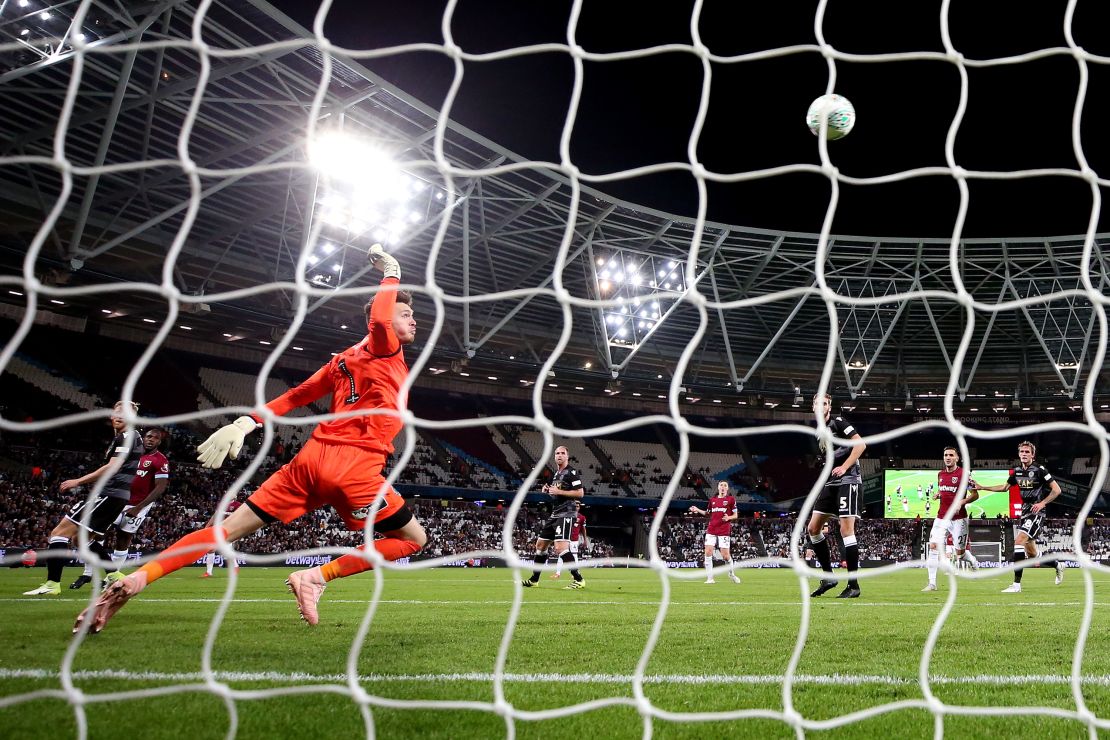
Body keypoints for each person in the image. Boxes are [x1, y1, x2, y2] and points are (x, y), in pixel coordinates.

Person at [75, 244, 427, 631]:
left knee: (225, 531)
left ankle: (138, 578)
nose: (414, 321)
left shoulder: (342, 360)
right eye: (406, 314)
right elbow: (379, 321)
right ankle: (315, 577)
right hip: (354, 465)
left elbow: (295, 397)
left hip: (311, 460)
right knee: (411, 539)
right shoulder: (384, 348)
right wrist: (391, 272)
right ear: (386, 320)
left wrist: (246, 423)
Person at [24, 401, 145, 596]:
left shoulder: (128, 436)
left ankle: (52, 584)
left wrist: (78, 481)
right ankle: (115, 576)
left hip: (109, 494)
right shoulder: (128, 437)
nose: (119, 416)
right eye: (116, 412)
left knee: (59, 533)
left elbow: (112, 467)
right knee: (80, 540)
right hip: (116, 496)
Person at [70, 428, 171, 589]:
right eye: (149, 436)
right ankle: (87, 574)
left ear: (159, 442)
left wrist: (138, 508)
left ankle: (113, 577)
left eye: (155, 438)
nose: (151, 439)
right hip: (117, 499)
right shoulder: (131, 453)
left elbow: (160, 487)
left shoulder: (160, 460)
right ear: (144, 438)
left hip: (138, 505)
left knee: (123, 539)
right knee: (94, 534)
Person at [972, 441, 1064, 592]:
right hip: (1024, 512)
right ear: (1019, 454)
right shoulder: (1016, 472)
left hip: (1036, 512)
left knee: (1019, 541)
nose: (1024, 454)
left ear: (1033, 455)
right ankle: (1057, 564)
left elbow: (1057, 490)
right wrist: (982, 487)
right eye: (1022, 452)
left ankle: (1016, 585)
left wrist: (1042, 503)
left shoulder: (1040, 470)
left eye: (1027, 452)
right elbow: (1004, 488)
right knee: (1033, 554)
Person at [806, 393, 866, 599]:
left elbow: (860, 445)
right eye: (817, 403)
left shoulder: (838, 422)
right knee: (813, 528)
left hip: (849, 480)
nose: (821, 406)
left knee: (846, 530)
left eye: (825, 403)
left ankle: (853, 585)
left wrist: (844, 467)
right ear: (813, 407)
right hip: (831, 483)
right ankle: (829, 577)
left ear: (829, 407)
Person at [522, 445, 585, 590]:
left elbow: (580, 493)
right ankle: (534, 580)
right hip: (555, 513)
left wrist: (558, 491)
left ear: (567, 456)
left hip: (567, 513)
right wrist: (549, 491)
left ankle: (579, 579)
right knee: (540, 545)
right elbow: (557, 494)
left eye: (563, 453)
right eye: (557, 453)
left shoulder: (572, 472)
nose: (559, 455)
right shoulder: (556, 474)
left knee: (560, 548)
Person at [922, 446, 979, 592]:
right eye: (945, 455)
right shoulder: (940, 474)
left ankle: (972, 560)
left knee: (960, 554)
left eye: (951, 455)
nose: (948, 457)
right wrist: (938, 494)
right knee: (933, 546)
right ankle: (932, 583)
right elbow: (947, 490)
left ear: (957, 458)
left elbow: (975, 494)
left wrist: (961, 502)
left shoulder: (964, 474)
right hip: (941, 517)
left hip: (959, 519)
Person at [688, 480, 741, 584]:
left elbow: (735, 515)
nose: (723, 487)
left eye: (725, 485)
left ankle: (731, 574)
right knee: (708, 552)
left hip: (724, 530)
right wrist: (697, 509)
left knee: (725, 555)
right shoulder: (712, 500)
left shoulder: (731, 499)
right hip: (711, 529)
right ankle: (710, 578)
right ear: (718, 487)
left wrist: (728, 517)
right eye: (721, 485)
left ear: (727, 488)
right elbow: (707, 513)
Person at [202, 499, 242, 577]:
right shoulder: (221, 503)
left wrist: (238, 532)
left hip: (229, 530)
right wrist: (207, 526)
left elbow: (240, 518)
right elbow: (215, 516)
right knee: (211, 550)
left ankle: (235, 566)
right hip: (218, 529)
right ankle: (208, 572)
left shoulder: (237, 505)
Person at [553, 501, 588, 579]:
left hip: (574, 540)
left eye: (578, 506)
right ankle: (557, 573)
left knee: (575, 556)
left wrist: (585, 540)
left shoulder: (581, 517)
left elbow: (583, 529)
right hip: (565, 538)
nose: (576, 508)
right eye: (575, 506)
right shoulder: (566, 515)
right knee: (561, 555)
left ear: (579, 507)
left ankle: (575, 573)